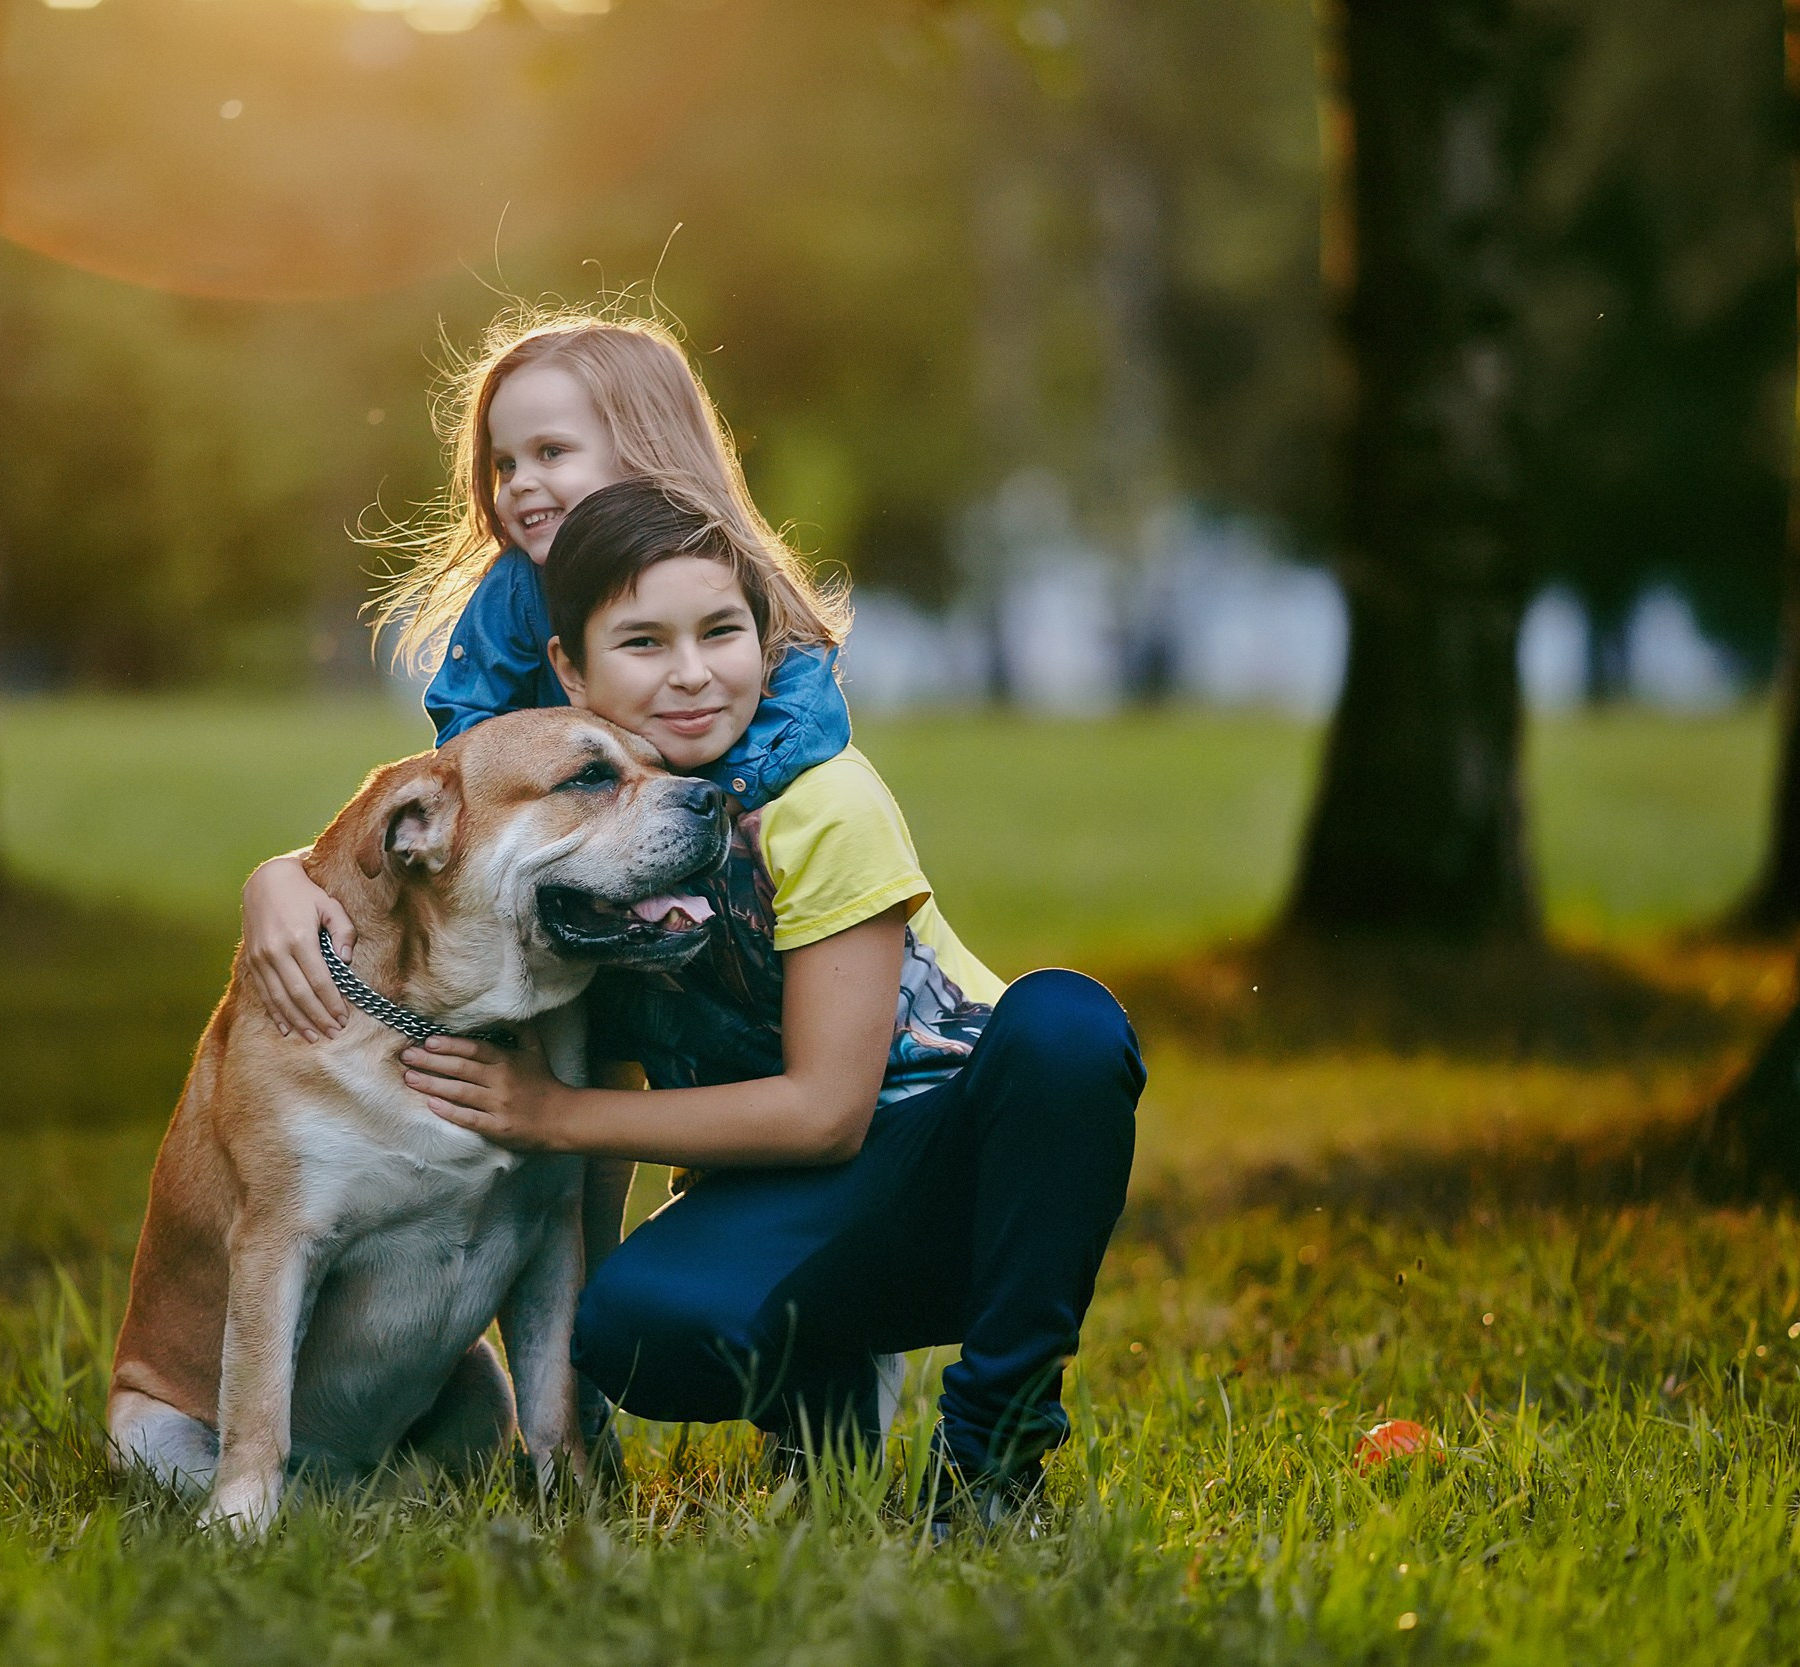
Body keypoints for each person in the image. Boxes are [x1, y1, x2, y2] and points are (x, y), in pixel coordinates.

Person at [400, 480, 1145, 1530]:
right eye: (643, 642)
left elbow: (826, 1111)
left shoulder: (825, 801)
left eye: (722, 631)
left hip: (961, 1162)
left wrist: (549, 1111)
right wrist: (283, 884)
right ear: (571, 669)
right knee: (636, 1329)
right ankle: (822, 1408)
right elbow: (427, 831)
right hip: (796, 1196)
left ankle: (993, 1454)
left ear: (763, 636)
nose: (693, 672)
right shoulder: (580, 842)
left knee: (1066, 1023)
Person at [240, 310, 852, 1042]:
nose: (522, 484)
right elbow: (465, 755)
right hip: (573, 852)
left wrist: (728, 801)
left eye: (551, 452)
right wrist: (282, 876)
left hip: (667, 836)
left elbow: (808, 704)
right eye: (505, 465)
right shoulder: (512, 594)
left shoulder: (721, 580)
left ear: (645, 452)